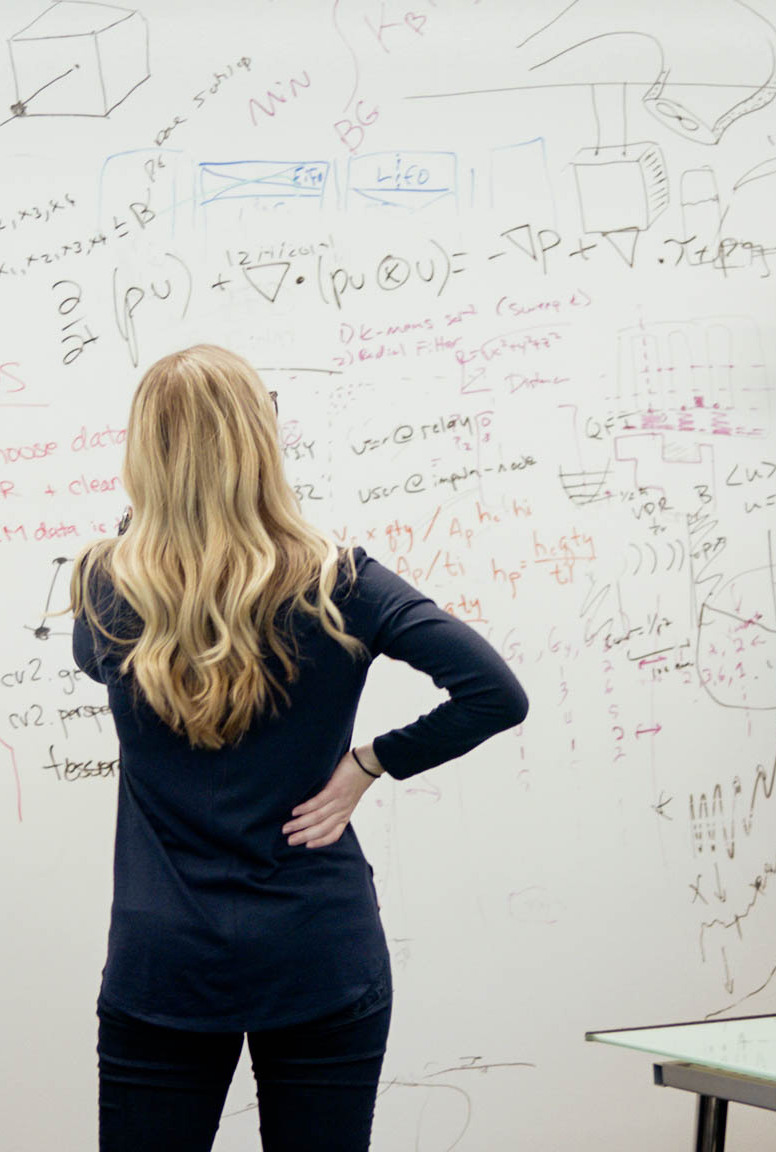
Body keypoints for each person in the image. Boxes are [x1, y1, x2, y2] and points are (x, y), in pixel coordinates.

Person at [70, 344, 529, 1152]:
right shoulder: (340, 581)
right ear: (262, 441)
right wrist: (368, 765)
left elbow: (90, 653)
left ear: (145, 452)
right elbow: (494, 692)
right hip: (318, 949)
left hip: (163, 960)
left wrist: (152, 522)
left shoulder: (109, 587)